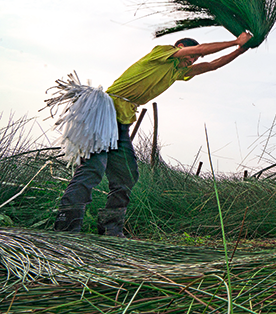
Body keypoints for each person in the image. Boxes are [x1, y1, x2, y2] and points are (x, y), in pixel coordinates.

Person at [53, 31, 253, 237]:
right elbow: (201, 49)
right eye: (190, 54)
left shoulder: (178, 73)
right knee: (94, 168)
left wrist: (239, 50)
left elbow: (212, 65)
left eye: (194, 58)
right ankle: (67, 226)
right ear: (179, 47)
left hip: (121, 122)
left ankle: (110, 228)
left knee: (127, 174)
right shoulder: (162, 53)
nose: (192, 59)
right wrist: (234, 41)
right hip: (105, 112)